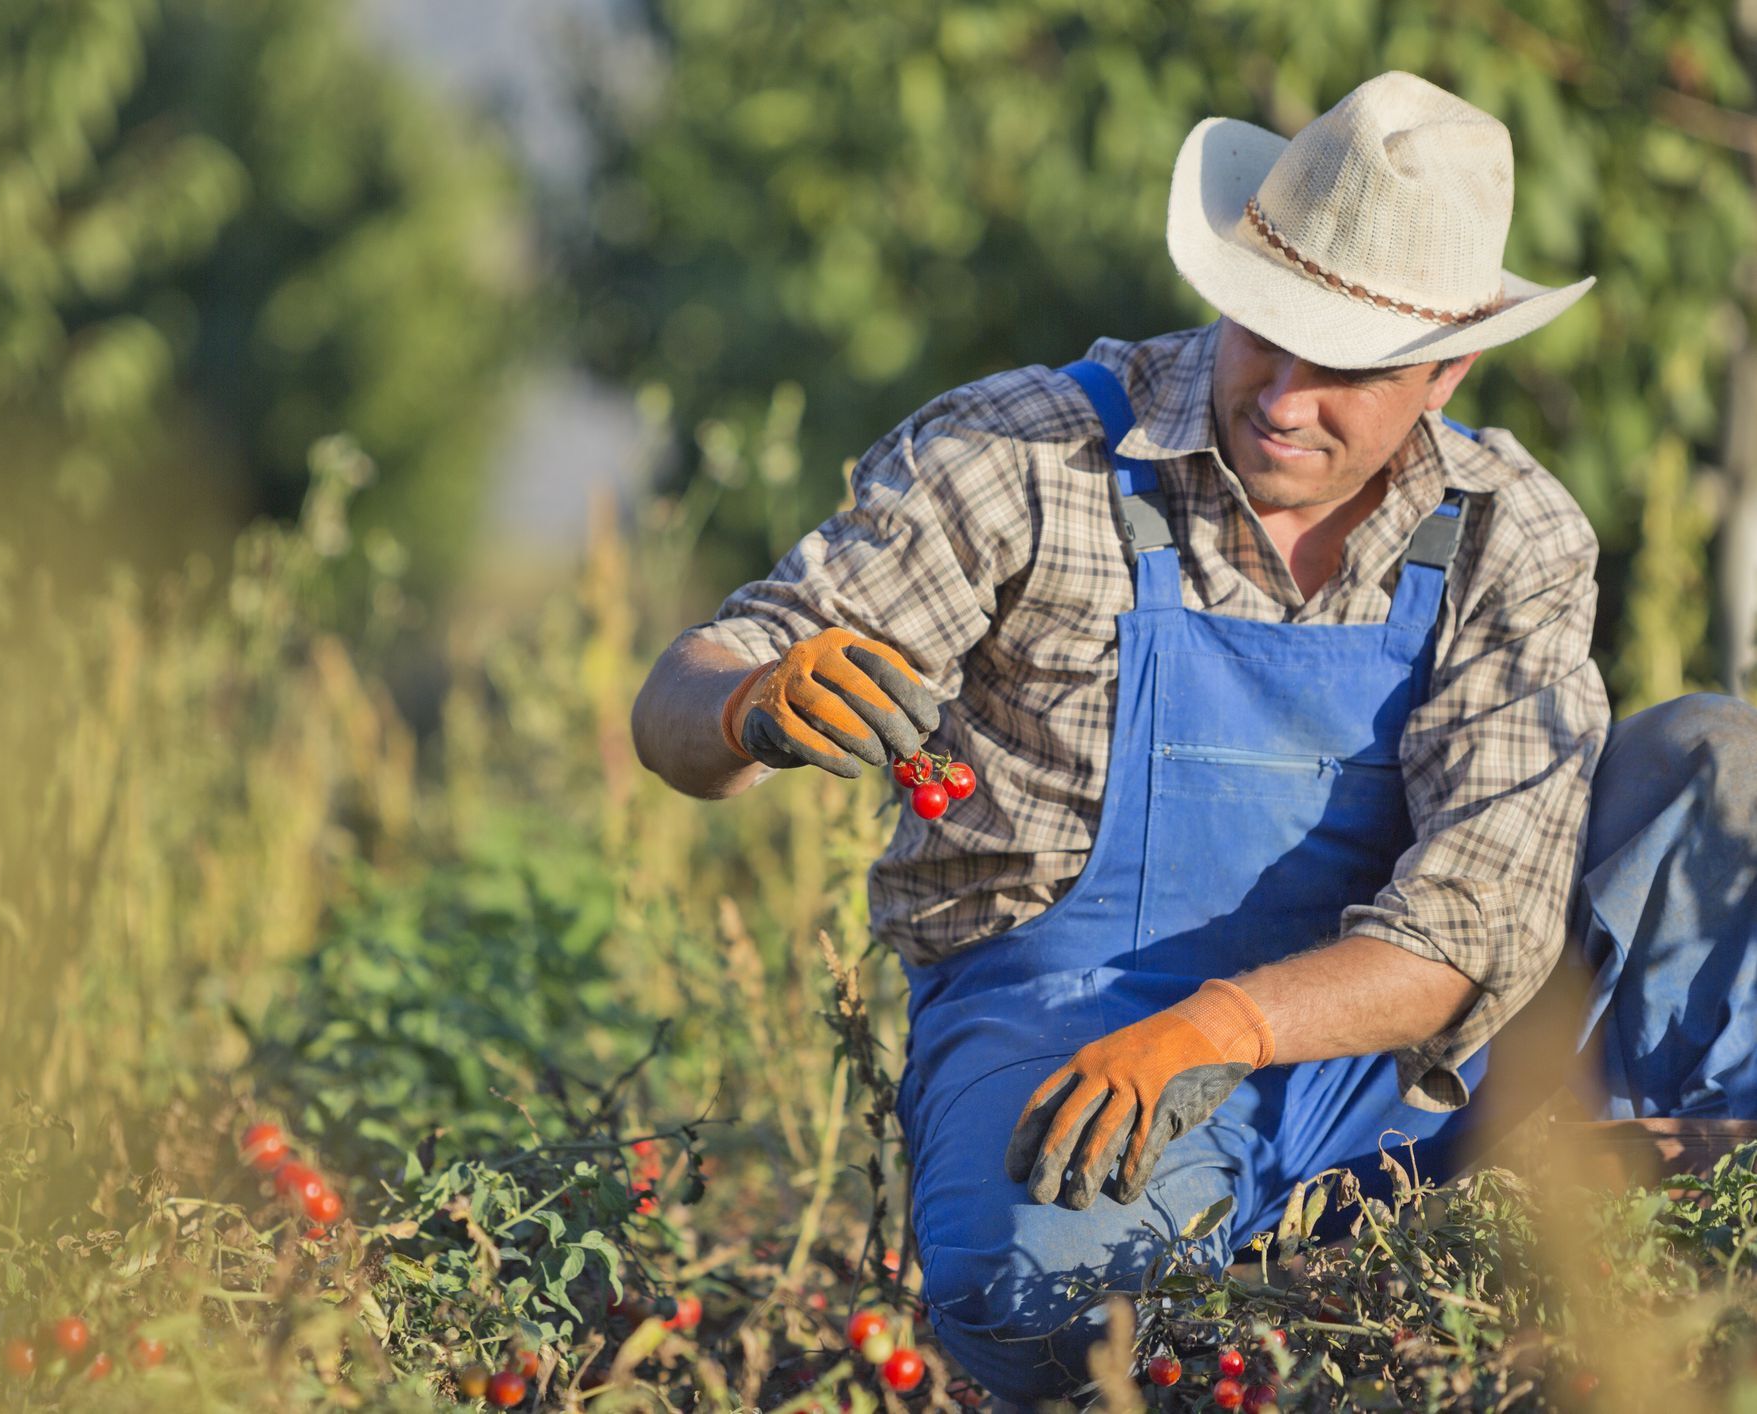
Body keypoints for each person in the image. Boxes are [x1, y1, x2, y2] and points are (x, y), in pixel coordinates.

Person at [630, 71, 1757, 1407]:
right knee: (1045, 1302)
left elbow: (1474, 924)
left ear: (1446, 368)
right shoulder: (1025, 457)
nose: (1281, 396)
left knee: (1710, 760)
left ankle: (1662, 1200)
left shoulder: (1506, 530)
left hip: (1390, 1056)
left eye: (1344, 367)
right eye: (1260, 334)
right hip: (1071, 1026)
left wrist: (1222, 1022)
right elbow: (679, 702)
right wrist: (745, 706)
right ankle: (1325, 1270)